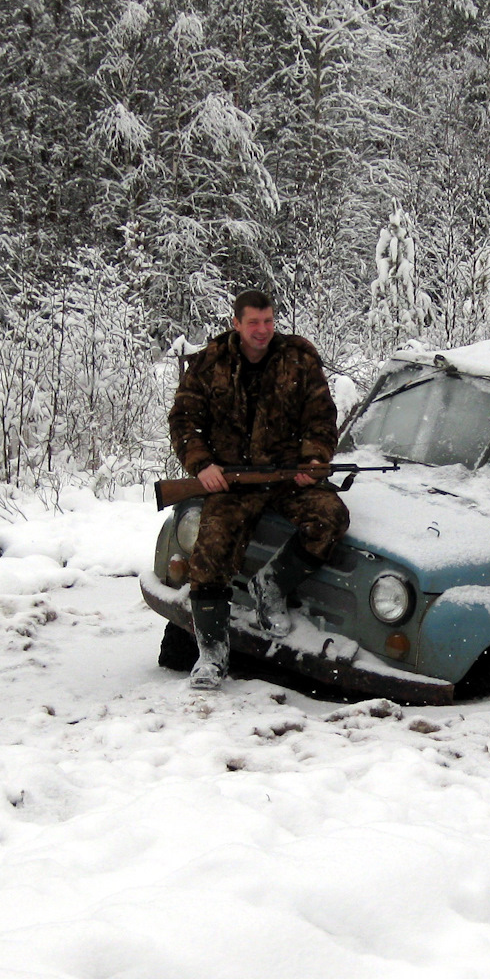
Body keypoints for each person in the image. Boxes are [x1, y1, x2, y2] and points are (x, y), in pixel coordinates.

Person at [167, 289, 349, 690]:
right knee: (210, 551)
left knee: (330, 518)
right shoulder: (210, 362)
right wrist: (202, 465)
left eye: (268, 321)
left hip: (287, 477)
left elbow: (321, 417)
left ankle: (272, 584)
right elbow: (184, 420)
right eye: (253, 322)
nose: (262, 330)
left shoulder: (299, 358)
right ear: (236, 323)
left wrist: (313, 462)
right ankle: (212, 655)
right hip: (231, 481)